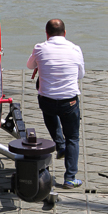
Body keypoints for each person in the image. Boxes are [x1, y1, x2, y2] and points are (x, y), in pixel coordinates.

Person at [27, 19, 85, 189]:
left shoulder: (40, 48)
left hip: (48, 101)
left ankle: (60, 145)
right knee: (73, 137)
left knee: (50, 112)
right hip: (70, 102)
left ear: (47, 34)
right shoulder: (75, 49)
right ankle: (70, 178)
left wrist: (40, 64)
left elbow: (29, 65)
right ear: (65, 33)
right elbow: (80, 75)